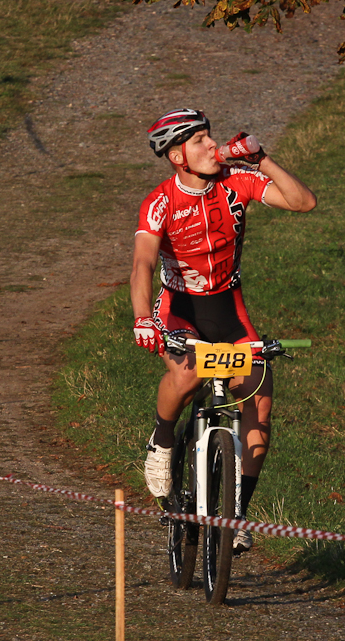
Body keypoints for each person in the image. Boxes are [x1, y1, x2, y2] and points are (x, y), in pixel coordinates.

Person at [130, 107, 316, 553]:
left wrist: (262, 160)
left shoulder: (237, 180)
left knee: (259, 395)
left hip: (228, 308)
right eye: (200, 141)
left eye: (211, 136)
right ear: (177, 156)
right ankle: (162, 442)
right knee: (188, 373)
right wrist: (141, 318)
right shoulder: (160, 201)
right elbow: (142, 264)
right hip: (180, 308)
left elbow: (303, 202)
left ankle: (236, 514)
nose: (213, 145)